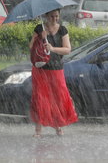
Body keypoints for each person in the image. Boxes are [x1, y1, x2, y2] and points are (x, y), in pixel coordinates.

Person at [28, 9, 78, 138]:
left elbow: (67, 50)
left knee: (58, 98)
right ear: (46, 16)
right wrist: (40, 37)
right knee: (40, 98)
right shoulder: (39, 28)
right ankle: (38, 131)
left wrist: (52, 48)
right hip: (41, 69)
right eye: (51, 16)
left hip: (56, 70)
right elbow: (31, 46)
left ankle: (58, 126)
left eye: (57, 16)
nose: (54, 19)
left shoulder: (63, 30)